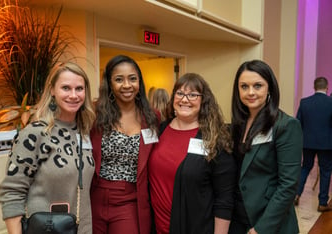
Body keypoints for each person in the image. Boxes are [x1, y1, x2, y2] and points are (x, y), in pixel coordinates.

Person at [0, 62, 96, 233]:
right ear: (52, 90)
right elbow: (12, 193)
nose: (73, 95)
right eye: (66, 88)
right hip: (46, 229)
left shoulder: (85, 132)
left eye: (79, 88)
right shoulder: (35, 133)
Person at [149, 73, 237, 234]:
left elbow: (224, 198)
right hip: (157, 227)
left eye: (193, 95)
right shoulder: (160, 130)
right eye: (180, 93)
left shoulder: (214, 139)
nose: (185, 99)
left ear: (203, 101)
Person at [228, 60, 303, 234]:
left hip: (268, 222)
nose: (250, 92)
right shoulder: (237, 125)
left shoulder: (286, 126)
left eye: (258, 86)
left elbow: (288, 185)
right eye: (244, 86)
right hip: (238, 217)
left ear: (270, 88)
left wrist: (261, 229)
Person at [90, 55, 159, 234]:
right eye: (119, 79)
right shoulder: (93, 114)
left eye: (132, 79)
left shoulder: (152, 117)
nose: (127, 85)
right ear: (110, 84)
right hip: (94, 196)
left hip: (130, 199)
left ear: (139, 82)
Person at [294, 77, 332, 212]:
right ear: (327, 87)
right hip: (327, 143)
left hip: (307, 142)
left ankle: (296, 195)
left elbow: (298, 123)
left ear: (314, 87)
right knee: (325, 171)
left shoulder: (304, 102)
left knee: (305, 167)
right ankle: (322, 203)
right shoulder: (331, 102)